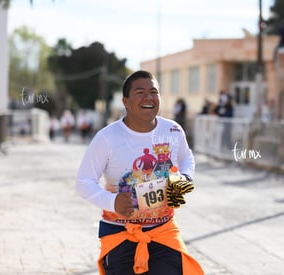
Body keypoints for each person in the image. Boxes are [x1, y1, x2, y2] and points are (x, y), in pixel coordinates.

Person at [76, 70, 204, 275]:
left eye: (154, 92)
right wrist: (113, 201)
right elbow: (83, 181)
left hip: (163, 231)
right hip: (120, 233)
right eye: (140, 92)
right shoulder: (107, 138)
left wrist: (184, 179)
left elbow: (187, 158)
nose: (149, 97)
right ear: (125, 101)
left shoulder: (173, 130)